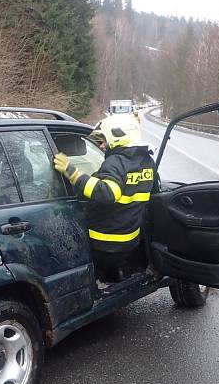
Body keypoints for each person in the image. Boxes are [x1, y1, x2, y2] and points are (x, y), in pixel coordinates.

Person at [54, 118, 155, 282]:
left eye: (104, 141)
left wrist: (72, 172)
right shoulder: (147, 161)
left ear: (118, 137)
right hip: (129, 240)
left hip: (104, 242)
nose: (101, 146)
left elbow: (108, 193)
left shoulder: (116, 162)